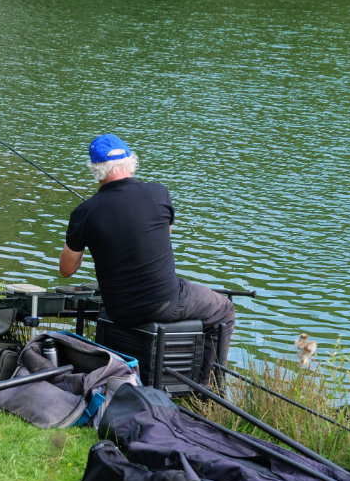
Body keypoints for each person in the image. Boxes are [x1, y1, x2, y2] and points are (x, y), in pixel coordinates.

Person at [59, 133, 235, 385]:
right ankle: (210, 392)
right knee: (224, 310)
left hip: (119, 310)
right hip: (164, 302)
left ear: (95, 170)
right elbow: (165, 235)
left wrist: (83, 229)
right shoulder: (158, 193)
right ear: (131, 161)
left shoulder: (84, 212)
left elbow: (67, 269)